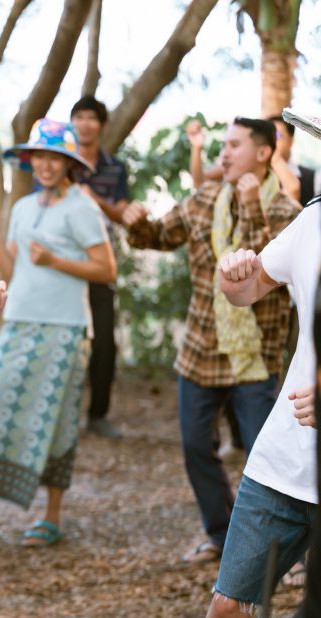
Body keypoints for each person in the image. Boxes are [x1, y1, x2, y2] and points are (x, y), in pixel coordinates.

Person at [121, 117, 301, 564]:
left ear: (263, 153)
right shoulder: (203, 199)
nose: (224, 152)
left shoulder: (287, 213)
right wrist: (137, 223)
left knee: (268, 457)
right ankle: (220, 534)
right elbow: (159, 236)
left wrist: (252, 208)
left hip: (255, 358)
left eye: (235, 145)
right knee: (196, 447)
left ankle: (286, 554)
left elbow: (263, 273)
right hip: (200, 351)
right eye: (223, 144)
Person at [0, 119, 116, 549]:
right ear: (29, 160)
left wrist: (56, 261)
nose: (45, 165)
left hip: (65, 330)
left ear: (69, 163)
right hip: (18, 323)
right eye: (39, 156)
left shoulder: (82, 208)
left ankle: (50, 517)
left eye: (54, 157)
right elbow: (11, 269)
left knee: (58, 423)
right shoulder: (23, 207)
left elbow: (107, 269)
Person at [195, 110, 320, 618]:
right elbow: (249, 290)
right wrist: (233, 276)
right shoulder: (312, 222)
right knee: (228, 608)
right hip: (284, 461)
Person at [70, 96, 129, 440]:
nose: (85, 123)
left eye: (91, 117)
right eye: (78, 117)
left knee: (105, 342)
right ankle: (61, 416)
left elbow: (122, 214)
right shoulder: (62, 162)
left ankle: (98, 415)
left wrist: (94, 200)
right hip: (63, 266)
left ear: (103, 125)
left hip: (100, 263)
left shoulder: (115, 168)